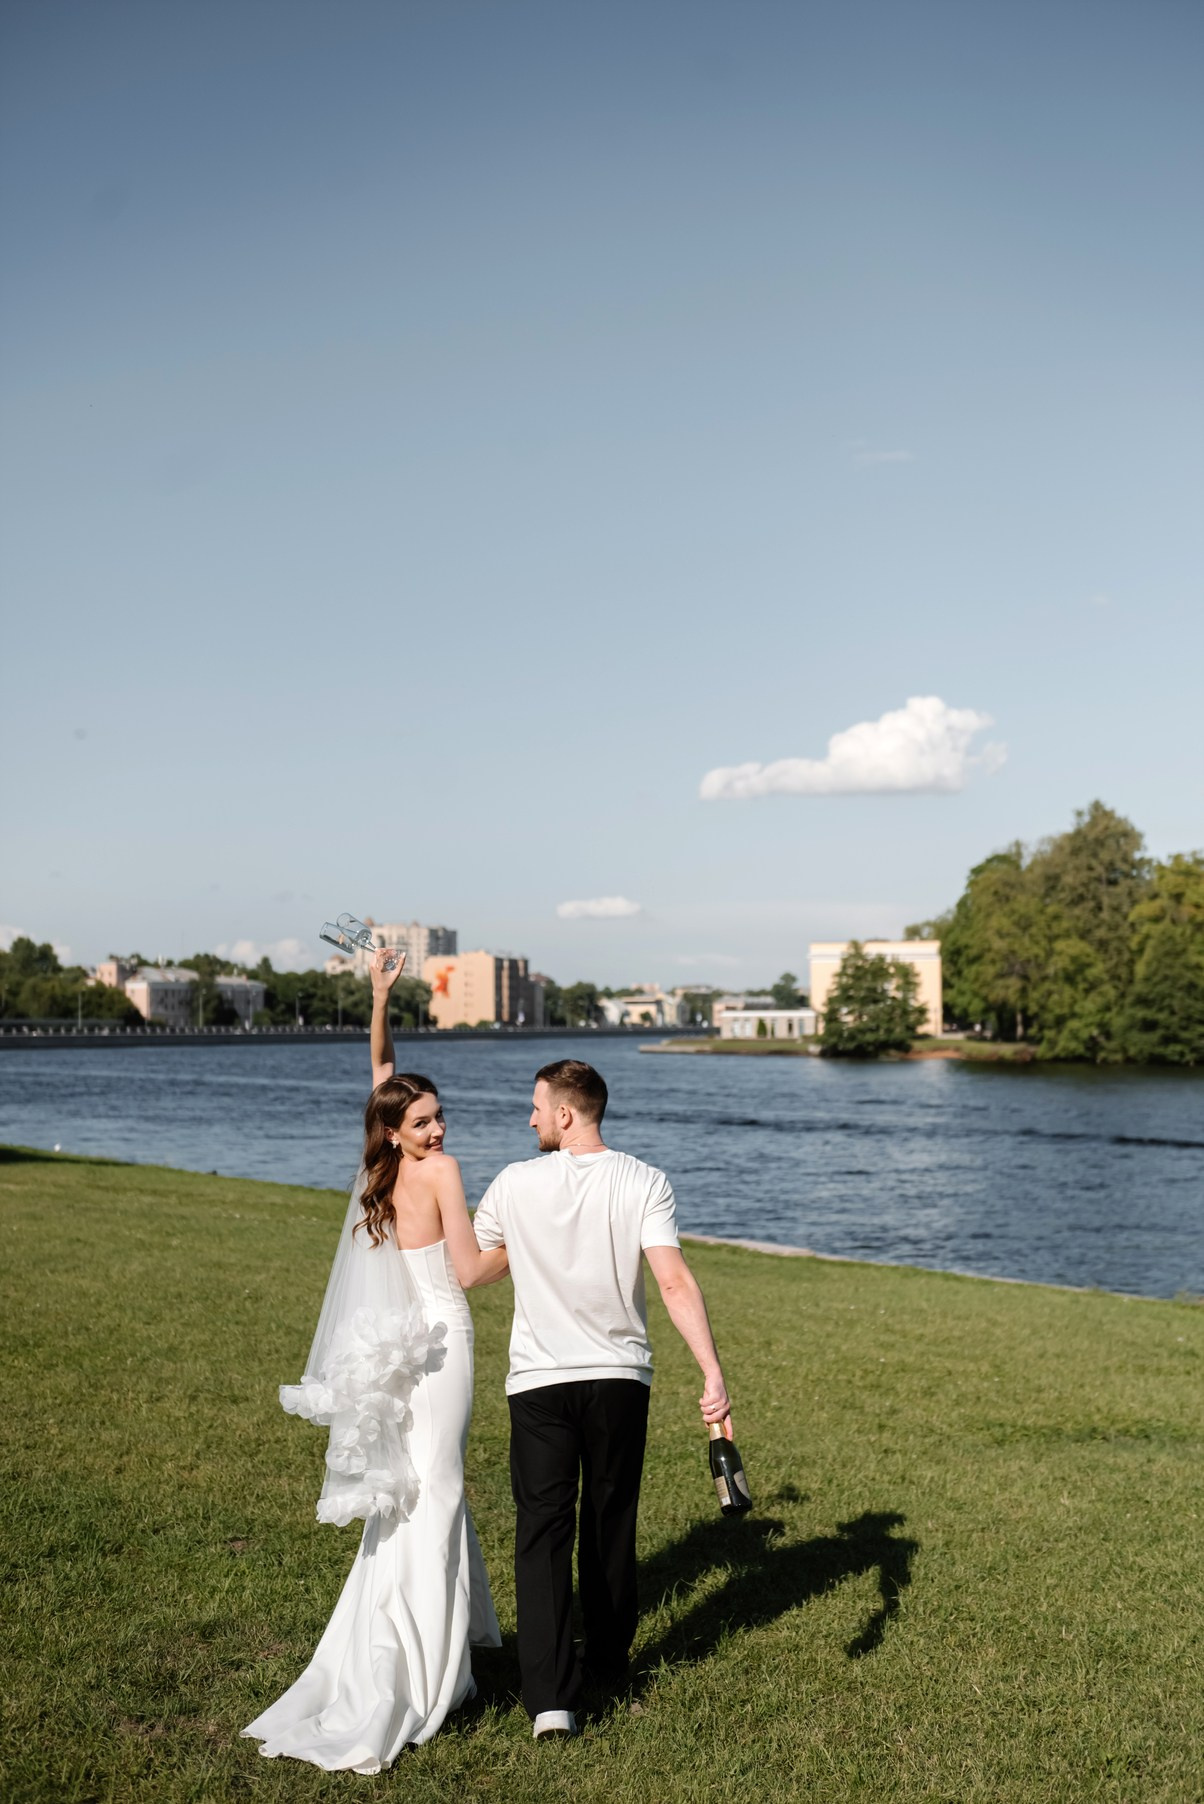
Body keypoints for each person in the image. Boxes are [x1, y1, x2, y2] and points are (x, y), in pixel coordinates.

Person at [243, 950, 508, 1772]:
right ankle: (426, 1676)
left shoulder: (380, 1165)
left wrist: (380, 999)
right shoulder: (442, 1172)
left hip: (402, 1351)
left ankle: (449, 1639)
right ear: (401, 1129)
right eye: (424, 1120)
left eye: (440, 1116)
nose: (438, 1128)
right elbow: (469, 1271)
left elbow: (382, 1072)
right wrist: (528, 1236)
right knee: (440, 1488)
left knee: (421, 1487)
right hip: (443, 1340)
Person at [471, 1057, 733, 1739]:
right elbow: (673, 1282)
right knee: (610, 1523)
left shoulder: (512, 1184)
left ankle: (551, 1701)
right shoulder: (645, 1179)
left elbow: (473, 1269)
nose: (529, 1117)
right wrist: (712, 1372)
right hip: (620, 1378)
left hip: (539, 1384)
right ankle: (611, 1665)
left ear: (565, 1114)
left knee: (542, 1532)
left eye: (536, 1106)